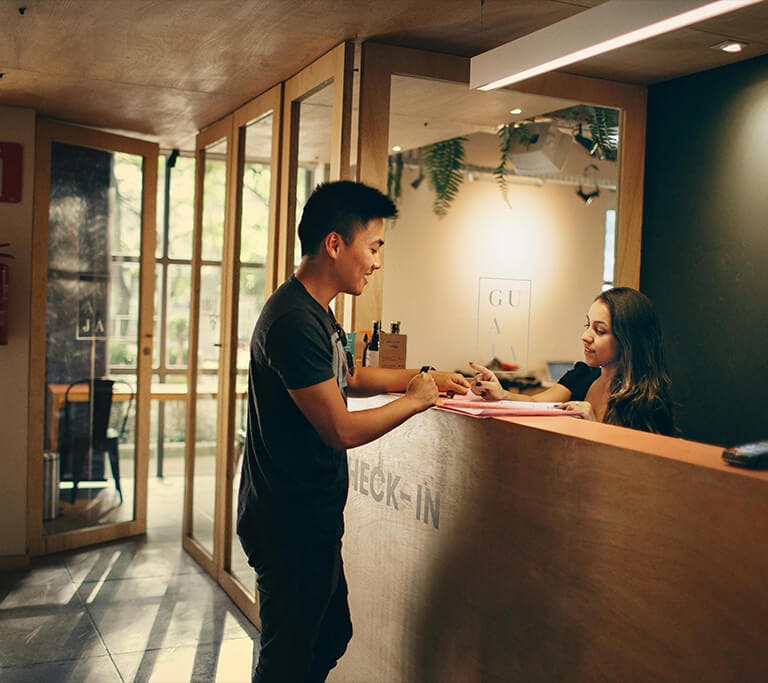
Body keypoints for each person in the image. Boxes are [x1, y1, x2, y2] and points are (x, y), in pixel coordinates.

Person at [237, 180, 470, 683]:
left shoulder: (316, 312)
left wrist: (423, 377)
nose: (377, 261)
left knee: (328, 636)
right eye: (374, 246)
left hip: (308, 516)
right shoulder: (294, 320)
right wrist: (414, 402)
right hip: (288, 521)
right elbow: (339, 428)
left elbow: (353, 377)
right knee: (287, 662)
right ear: (335, 244)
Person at [470, 287, 676, 436]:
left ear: (629, 339)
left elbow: (638, 469)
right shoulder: (583, 375)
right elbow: (535, 404)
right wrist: (501, 394)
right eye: (587, 325)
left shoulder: (647, 402)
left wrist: (593, 426)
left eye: (600, 330)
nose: (586, 336)